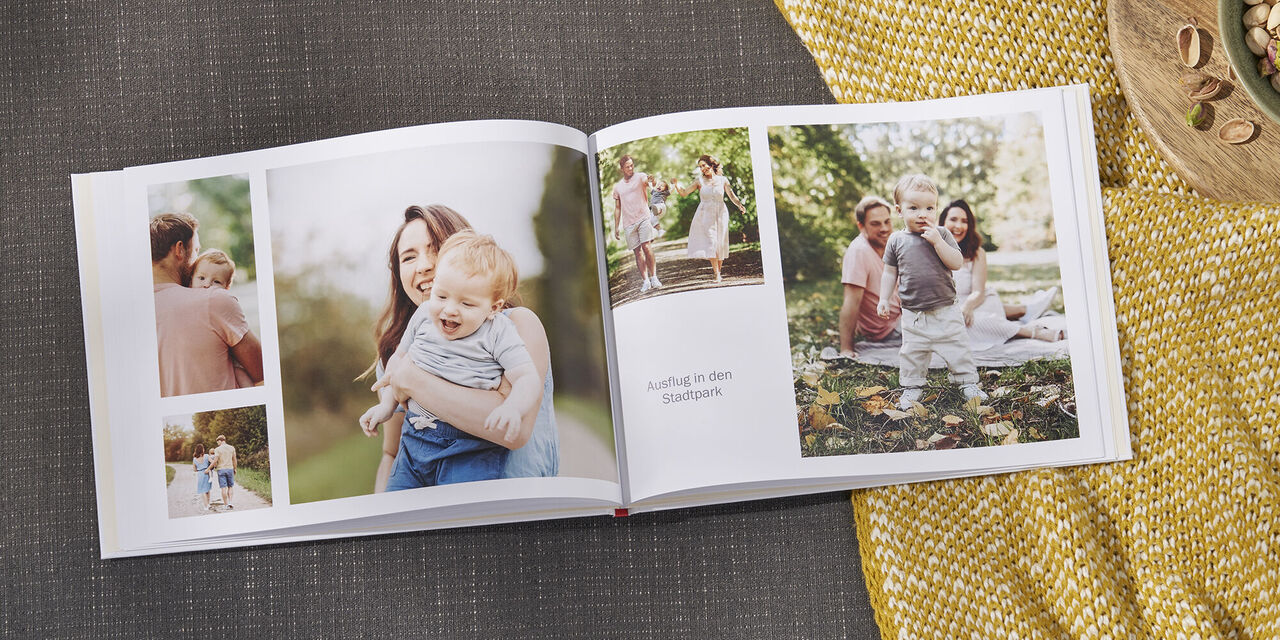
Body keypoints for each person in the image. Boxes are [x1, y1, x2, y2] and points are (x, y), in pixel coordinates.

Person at [364, 205, 560, 493]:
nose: (423, 265)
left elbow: (512, 430)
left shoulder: (516, 326)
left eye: (436, 249)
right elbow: (391, 453)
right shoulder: (398, 352)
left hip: (511, 505)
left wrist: (412, 380)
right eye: (409, 257)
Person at [877, 174, 986, 409]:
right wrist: (883, 298)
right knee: (912, 352)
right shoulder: (896, 240)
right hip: (913, 313)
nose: (922, 214)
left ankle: (966, 382)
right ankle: (912, 386)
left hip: (945, 308)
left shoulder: (942, 234)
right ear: (899, 210)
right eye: (914, 208)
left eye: (929, 207)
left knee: (958, 346)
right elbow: (889, 273)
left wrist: (938, 242)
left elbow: (956, 262)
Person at [150, 213, 264, 397]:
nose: (197, 260)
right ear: (180, 250)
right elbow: (263, 370)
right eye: (196, 251)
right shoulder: (214, 300)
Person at [940, 200, 1062, 349]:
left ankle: (1025, 311)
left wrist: (968, 307)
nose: (958, 226)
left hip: (974, 303)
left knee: (984, 306)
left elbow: (978, 291)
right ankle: (1028, 326)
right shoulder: (932, 249)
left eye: (964, 221)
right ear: (942, 222)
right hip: (948, 310)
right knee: (970, 320)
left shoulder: (977, 253)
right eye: (953, 219)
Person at [838, 196, 902, 358]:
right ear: (861, 226)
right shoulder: (859, 251)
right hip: (886, 331)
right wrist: (846, 348)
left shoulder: (891, 246)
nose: (884, 228)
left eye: (887, 222)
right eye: (875, 224)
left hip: (901, 319)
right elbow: (851, 303)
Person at [671, 154, 747, 283]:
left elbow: (731, 195)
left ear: (711, 165)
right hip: (705, 214)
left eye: (704, 165)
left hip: (721, 213)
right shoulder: (698, 181)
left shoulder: (723, 180)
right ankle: (716, 274)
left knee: (720, 243)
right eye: (700, 167)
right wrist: (676, 184)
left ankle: (719, 271)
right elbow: (684, 193)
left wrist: (739, 205)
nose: (702, 168)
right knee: (711, 242)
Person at [189, 249, 257, 388]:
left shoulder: (224, 302)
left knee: (242, 376)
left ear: (227, 287)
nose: (207, 284)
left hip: (232, 359)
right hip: (205, 361)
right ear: (191, 278)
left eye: (216, 282)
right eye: (201, 278)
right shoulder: (187, 298)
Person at [611, 155, 662, 293]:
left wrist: (653, 180)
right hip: (628, 224)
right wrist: (616, 227)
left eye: (632, 165)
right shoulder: (618, 187)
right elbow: (617, 208)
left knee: (647, 247)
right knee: (638, 253)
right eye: (627, 166)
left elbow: (650, 183)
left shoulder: (640, 177)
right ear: (622, 168)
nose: (630, 168)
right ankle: (645, 281)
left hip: (644, 217)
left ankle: (654, 277)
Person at [210, 435, 237, 509]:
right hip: (230, 469)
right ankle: (230, 502)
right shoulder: (232, 448)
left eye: (217, 442)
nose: (217, 444)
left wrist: (214, 466)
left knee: (223, 488)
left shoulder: (217, 449)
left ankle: (226, 505)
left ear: (220, 441)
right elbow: (234, 460)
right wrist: (235, 468)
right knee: (230, 486)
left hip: (221, 469)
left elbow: (215, 460)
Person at [192, 443, 213, 511]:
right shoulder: (206, 456)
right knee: (207, 490)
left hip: (200, 474)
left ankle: (206, 506)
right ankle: (208, 504)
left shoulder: (195, 459)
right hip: (207, 473)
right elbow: (213, 462)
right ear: (202, 450)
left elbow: (194, 469)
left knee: (203, 491)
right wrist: (208, 468)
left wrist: (199, 467)